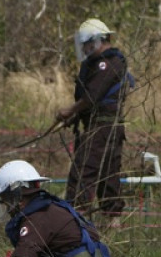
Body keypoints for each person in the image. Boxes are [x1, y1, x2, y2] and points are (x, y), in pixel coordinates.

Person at [56, 18, 133, 220]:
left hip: (103, 127)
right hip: (99, 125)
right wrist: (76, 116)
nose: (84, 48)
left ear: (96, 40)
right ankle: (110, 219)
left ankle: (77, 220)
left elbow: (92, 96)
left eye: (86, 44)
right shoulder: (97, 63)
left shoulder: (109, 63)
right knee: (107, 173)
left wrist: (70, 110)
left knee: (83, 172)